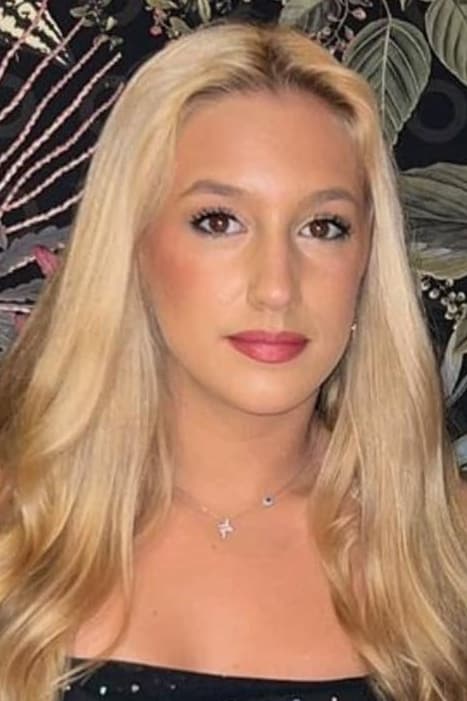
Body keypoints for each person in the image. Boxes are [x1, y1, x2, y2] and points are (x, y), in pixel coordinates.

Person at [0, 18, 466, 701]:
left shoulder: (443, 553)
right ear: (134, 245)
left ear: (367, 260)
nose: (276, 286)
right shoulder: (17, 530)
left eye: (322, 227)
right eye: (219, 221)